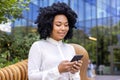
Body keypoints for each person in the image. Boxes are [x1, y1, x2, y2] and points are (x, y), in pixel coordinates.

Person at [28, 2, 83, 80]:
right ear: (49, 26)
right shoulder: (38, 46)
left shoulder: (70, 48)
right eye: (58, 24)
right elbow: (32, 77)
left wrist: (74, 72)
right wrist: (58, 70)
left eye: (66, 25)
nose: (63, 28)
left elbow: (76, 78)